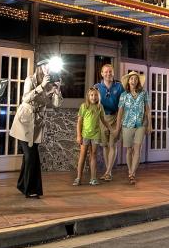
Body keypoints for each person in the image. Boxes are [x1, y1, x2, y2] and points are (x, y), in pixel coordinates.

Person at [9, 58, 62, 198]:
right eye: (47, 66)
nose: (49, 69)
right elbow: (25, 99)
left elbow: (56, 105)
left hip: (37, 125)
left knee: (29, 157)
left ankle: (22, 185)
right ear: (40, 67)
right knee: (31, 157)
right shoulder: (30, 80)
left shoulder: (51, 84)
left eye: (51, 66)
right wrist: (41, 86)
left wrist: (57, 90)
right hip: (24, 122)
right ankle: (31, 190)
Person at [115, 71, 151, 184]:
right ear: (128, 81)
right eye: (132, 79)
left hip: (141, 124)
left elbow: (148, 110)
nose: (134, 80)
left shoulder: (144, 93)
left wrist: (150, 125)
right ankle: (130, 170)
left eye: (136, 79)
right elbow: (120, 112)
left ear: (138, 81)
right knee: (129, 150)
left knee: (137, 148)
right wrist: (117, 128)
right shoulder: (123, 95)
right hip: (127, 125)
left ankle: (132, 173)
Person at [73, 87, 111, 186]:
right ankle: (78, 178)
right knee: (82, 155)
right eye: (91, 95)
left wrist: (111, 129)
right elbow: (79, 122)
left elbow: (104, 120)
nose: (93, 97)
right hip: (85, 134)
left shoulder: (100, 107)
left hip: (96, 135)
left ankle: (93, 178)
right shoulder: (84, 106)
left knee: (93, 154)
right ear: (88, 96)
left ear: (98, 97)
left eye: (95, 95)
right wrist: (78, 135)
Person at [94, 63, 123, 181]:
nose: (108, 74)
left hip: (115, 117)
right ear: (101, 74)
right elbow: (93, 103)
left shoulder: (119, 86)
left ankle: (108, 172)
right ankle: (108, 171)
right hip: (102, 118)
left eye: (110, 71)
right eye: (105, 72)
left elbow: (122, 106)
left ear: (113, 72)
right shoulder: (97, 87)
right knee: (105, 146)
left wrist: (120, 123)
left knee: (112, 144)